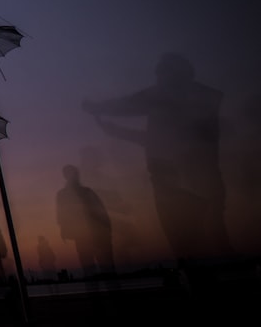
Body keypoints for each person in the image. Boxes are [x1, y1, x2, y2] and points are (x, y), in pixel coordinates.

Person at [83, 53, 233, 263]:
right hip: (189, 181)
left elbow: (134, 105)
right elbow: (157, 139)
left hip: (180, 182)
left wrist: (98, 108)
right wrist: (115, 130)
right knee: (204, 240)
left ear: (175, 74)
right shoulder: (198, 98)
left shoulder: (175, 96)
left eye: (161, 71)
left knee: (192, 242)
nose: (157, 77)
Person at [56, 164, 116, 287]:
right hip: (86, 236)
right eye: (68, 173)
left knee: (101, 269)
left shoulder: (81, 192)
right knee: (93, 269)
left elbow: (101, 213)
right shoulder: (65, 194)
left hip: (95, 235)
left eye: (70, 173)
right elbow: (62, 216)